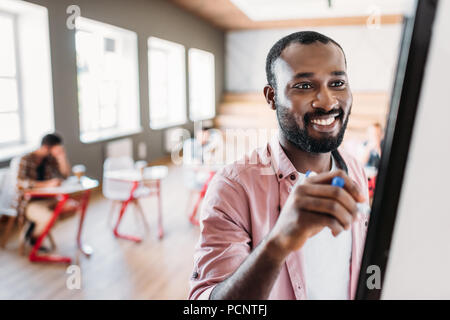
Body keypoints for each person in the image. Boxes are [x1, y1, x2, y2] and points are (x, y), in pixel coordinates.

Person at [189, 31, 370, 300]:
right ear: (271, 96)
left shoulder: (354, 169)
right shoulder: (233, 187)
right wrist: (279, 242)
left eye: (337, 82)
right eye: (304, 86)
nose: (327, 101)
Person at [16, 133, 75, 249]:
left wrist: (62, 157)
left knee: (72, 207)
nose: (59, 149)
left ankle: (38, 227)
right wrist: (46, 184)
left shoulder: (49, 160)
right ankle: (34, 237)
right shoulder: (26, 159)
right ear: (47, 147)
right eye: (57, 147)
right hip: (30, 202)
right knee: (50, 218)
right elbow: (20, 183)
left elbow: (65, 175)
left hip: (49, 199)